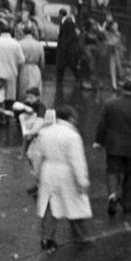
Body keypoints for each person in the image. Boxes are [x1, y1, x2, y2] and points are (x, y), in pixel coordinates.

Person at [28, 105, 91, 252]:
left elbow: (36, 155)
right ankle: (80, 236)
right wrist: (82, 180)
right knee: (74, 203)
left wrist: (37, 174)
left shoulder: (44, 132)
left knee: (50, 205)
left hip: (48, 170)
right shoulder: (72, 135)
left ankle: (47, 238)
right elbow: (77, 160)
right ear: (70, 118)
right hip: (66, 171)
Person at [93, 80, 131, 217]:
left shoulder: (110, 104)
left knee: (113, 171)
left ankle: (113, 195)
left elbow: (102, 124)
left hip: (113, 146)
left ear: (122, 89)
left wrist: (98, 141)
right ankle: (127, 203)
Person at [0, 23, 24, 104]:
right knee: (9, 100)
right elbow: (21, 61)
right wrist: (17, 71)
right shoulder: (16, 44)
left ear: (0, 31)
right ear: (11, 32)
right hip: (11, 76)